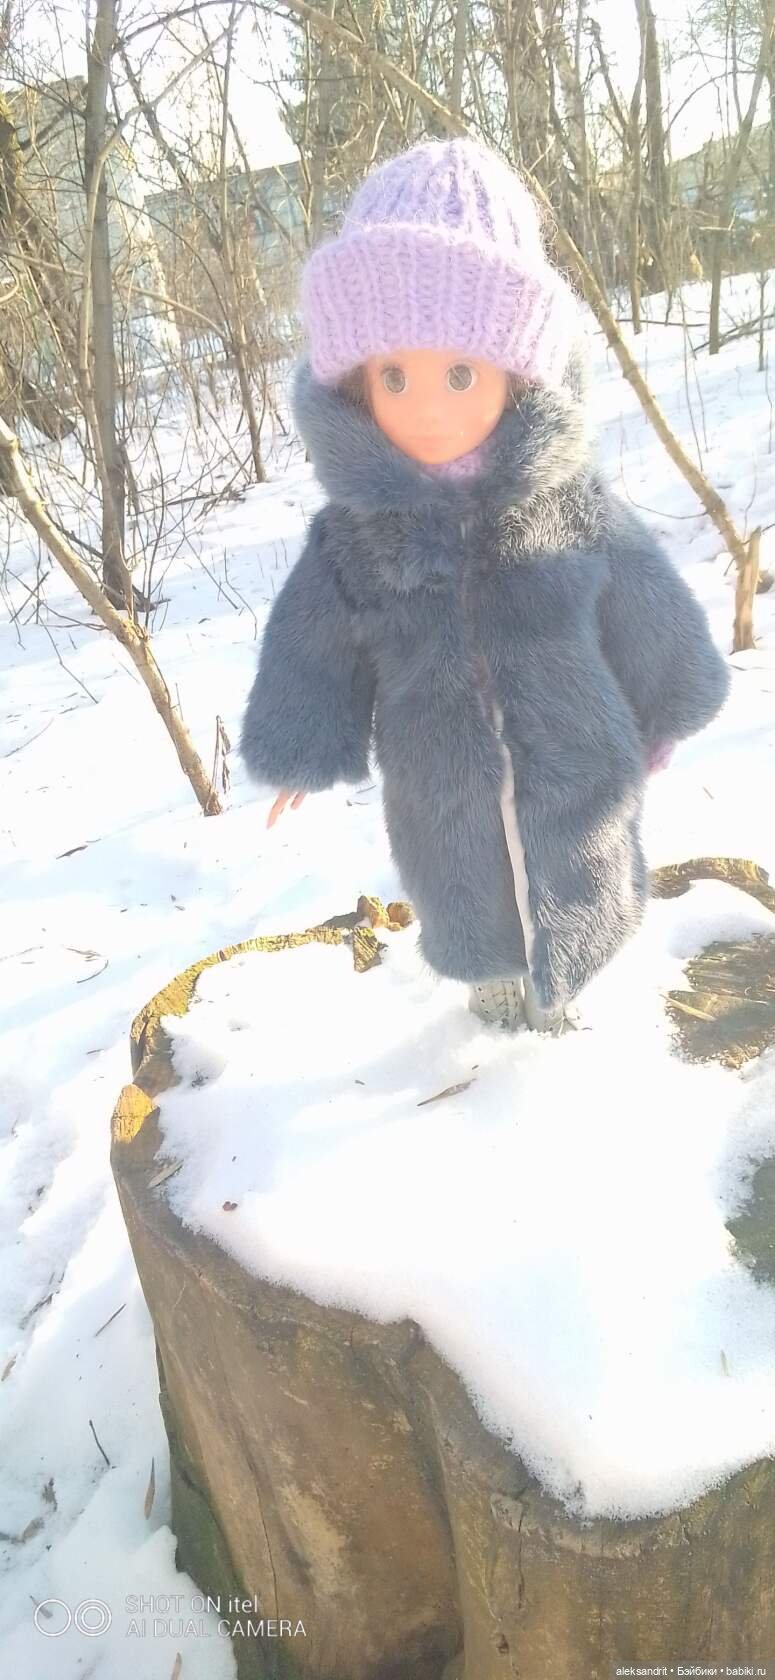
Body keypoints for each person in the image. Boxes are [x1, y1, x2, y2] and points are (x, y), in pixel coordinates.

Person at [240, 137, 729, 1032]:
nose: (427, 405)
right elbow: (312, 644)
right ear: (355, 386)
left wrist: (661, 709)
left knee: (584, 876)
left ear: (518, 369)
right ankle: (494, 993)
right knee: (461, 886)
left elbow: (644, 606)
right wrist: (301, 744)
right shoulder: (354, 538)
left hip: (579, 763)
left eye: (459, 373)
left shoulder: (569, 507)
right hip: (437, 780)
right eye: (395, 375)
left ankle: (571, 1003)